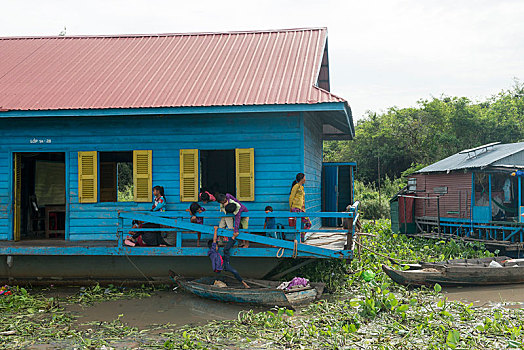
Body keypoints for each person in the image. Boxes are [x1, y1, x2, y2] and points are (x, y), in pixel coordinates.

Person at [289, 173, 311, 242]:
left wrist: (303, 209)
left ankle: (302, 235)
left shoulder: (302, 187)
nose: (305, 179)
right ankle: (298, 241)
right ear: (302, 178)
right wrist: (291, 208)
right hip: (295, 208)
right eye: (305, 177)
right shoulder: (296, 186)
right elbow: (291, 197)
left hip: (301, 209)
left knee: (308, 223)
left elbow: (303, 199)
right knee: (297, 225)